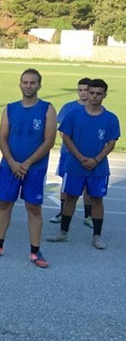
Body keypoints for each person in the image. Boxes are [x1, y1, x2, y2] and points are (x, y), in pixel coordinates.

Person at [0, 69, 56, 268]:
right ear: (20, 84)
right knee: (5, 204)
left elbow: (49, 141)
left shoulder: (47, 109)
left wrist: (28, 163)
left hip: (35, 168)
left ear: (39, 85)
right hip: (9, 166)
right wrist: (12, 162)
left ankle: (35, 251)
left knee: (33, 208)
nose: (28, 86)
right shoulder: (10, 108)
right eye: (25, 82)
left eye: (32, 82)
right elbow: (2, 138)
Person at [48, 79, 119, 249]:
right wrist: (80, 157)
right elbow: (66, 136)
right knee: (71, 197)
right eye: (91, 92)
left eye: (98, 94)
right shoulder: (74, 114)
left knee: (96, 199)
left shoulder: (110, 118)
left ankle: (97, 236)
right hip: (75, 165)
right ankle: (63, 232)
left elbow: (111, 142)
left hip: (98, 167)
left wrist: (96, 160)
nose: (94, 96)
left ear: (104, 95)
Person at [49, 78, 93, 226]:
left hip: (89, 153)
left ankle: (88, 215)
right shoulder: (69, 107)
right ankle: (63, 212)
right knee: (66, 183)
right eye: (80, 90)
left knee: (88, 185)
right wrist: (74, 147)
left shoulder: (95, 108)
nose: (83, 93)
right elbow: (62, 131)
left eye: (86, 90)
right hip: (68, 152)